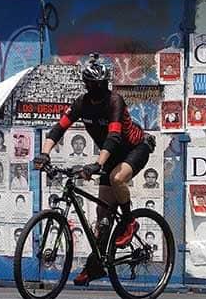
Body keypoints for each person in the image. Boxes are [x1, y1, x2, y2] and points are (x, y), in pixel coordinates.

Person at [34, 53, 155, 286]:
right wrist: (44, 154)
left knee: (117, 177)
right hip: (111, 154)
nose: (98, 88)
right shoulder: (81, 103)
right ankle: (95, 266)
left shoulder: (115, 101)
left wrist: (97, 164)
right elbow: (58, 129)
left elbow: (114, 136)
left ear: (106, 83)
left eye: (101, 84)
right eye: (93, 84)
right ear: (87, 84)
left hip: (135, 148)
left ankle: (129, 221)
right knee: (102, 216)